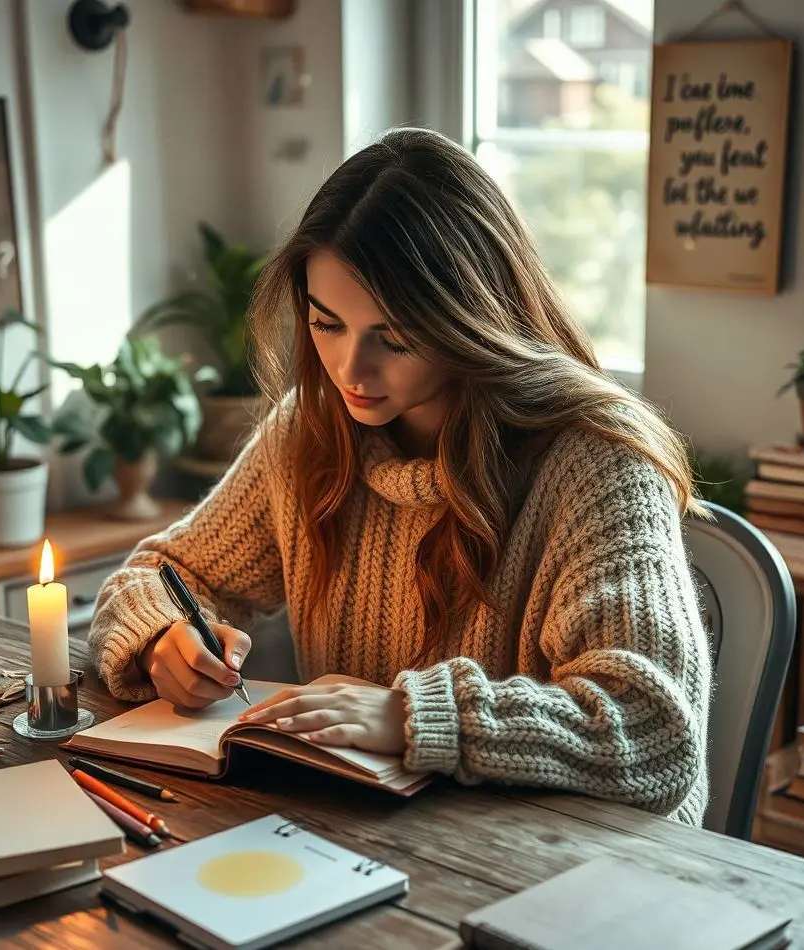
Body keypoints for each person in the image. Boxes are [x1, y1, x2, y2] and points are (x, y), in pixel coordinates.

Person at [89, 128, 712, 825]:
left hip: (574, 874)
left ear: (472, 318)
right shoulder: (310, 432)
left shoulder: (598, 463)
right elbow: (158, 574)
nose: (351, 371)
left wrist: (414, 715)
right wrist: (165, 634)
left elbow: (655, 734)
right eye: (327, 324)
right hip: (376, 836)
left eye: (394, 337)